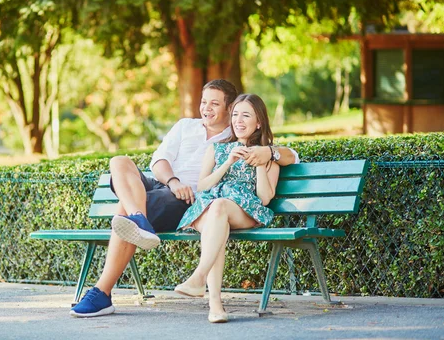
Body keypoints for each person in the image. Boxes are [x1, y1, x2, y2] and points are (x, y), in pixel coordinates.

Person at [70, 81, 299, 318]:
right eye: (203, 102)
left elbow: (289, 155)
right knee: (119, 162)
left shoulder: (235, 134)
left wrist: (267, 153)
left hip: (189, 199)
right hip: (165, 184)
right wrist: (173, 181)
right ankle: (140, 220)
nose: (206, 108)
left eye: (214, 103)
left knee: (125, 211)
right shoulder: (185, 126)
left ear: (229, 108)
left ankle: (102, 290)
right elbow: (158, 160)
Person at [173, 93, 279, 323]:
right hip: (209, 205)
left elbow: (264, 198)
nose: (239, 121)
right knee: (216, 219)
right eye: (235, 115)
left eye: (246, 116)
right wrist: (228, 163)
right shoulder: (217, 149)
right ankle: (214, 306)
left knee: (219, 210)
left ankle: (201, 282)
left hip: (244, 210)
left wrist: (259, 162)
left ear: (258, 122)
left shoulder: (267, 153)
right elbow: (202, 186)